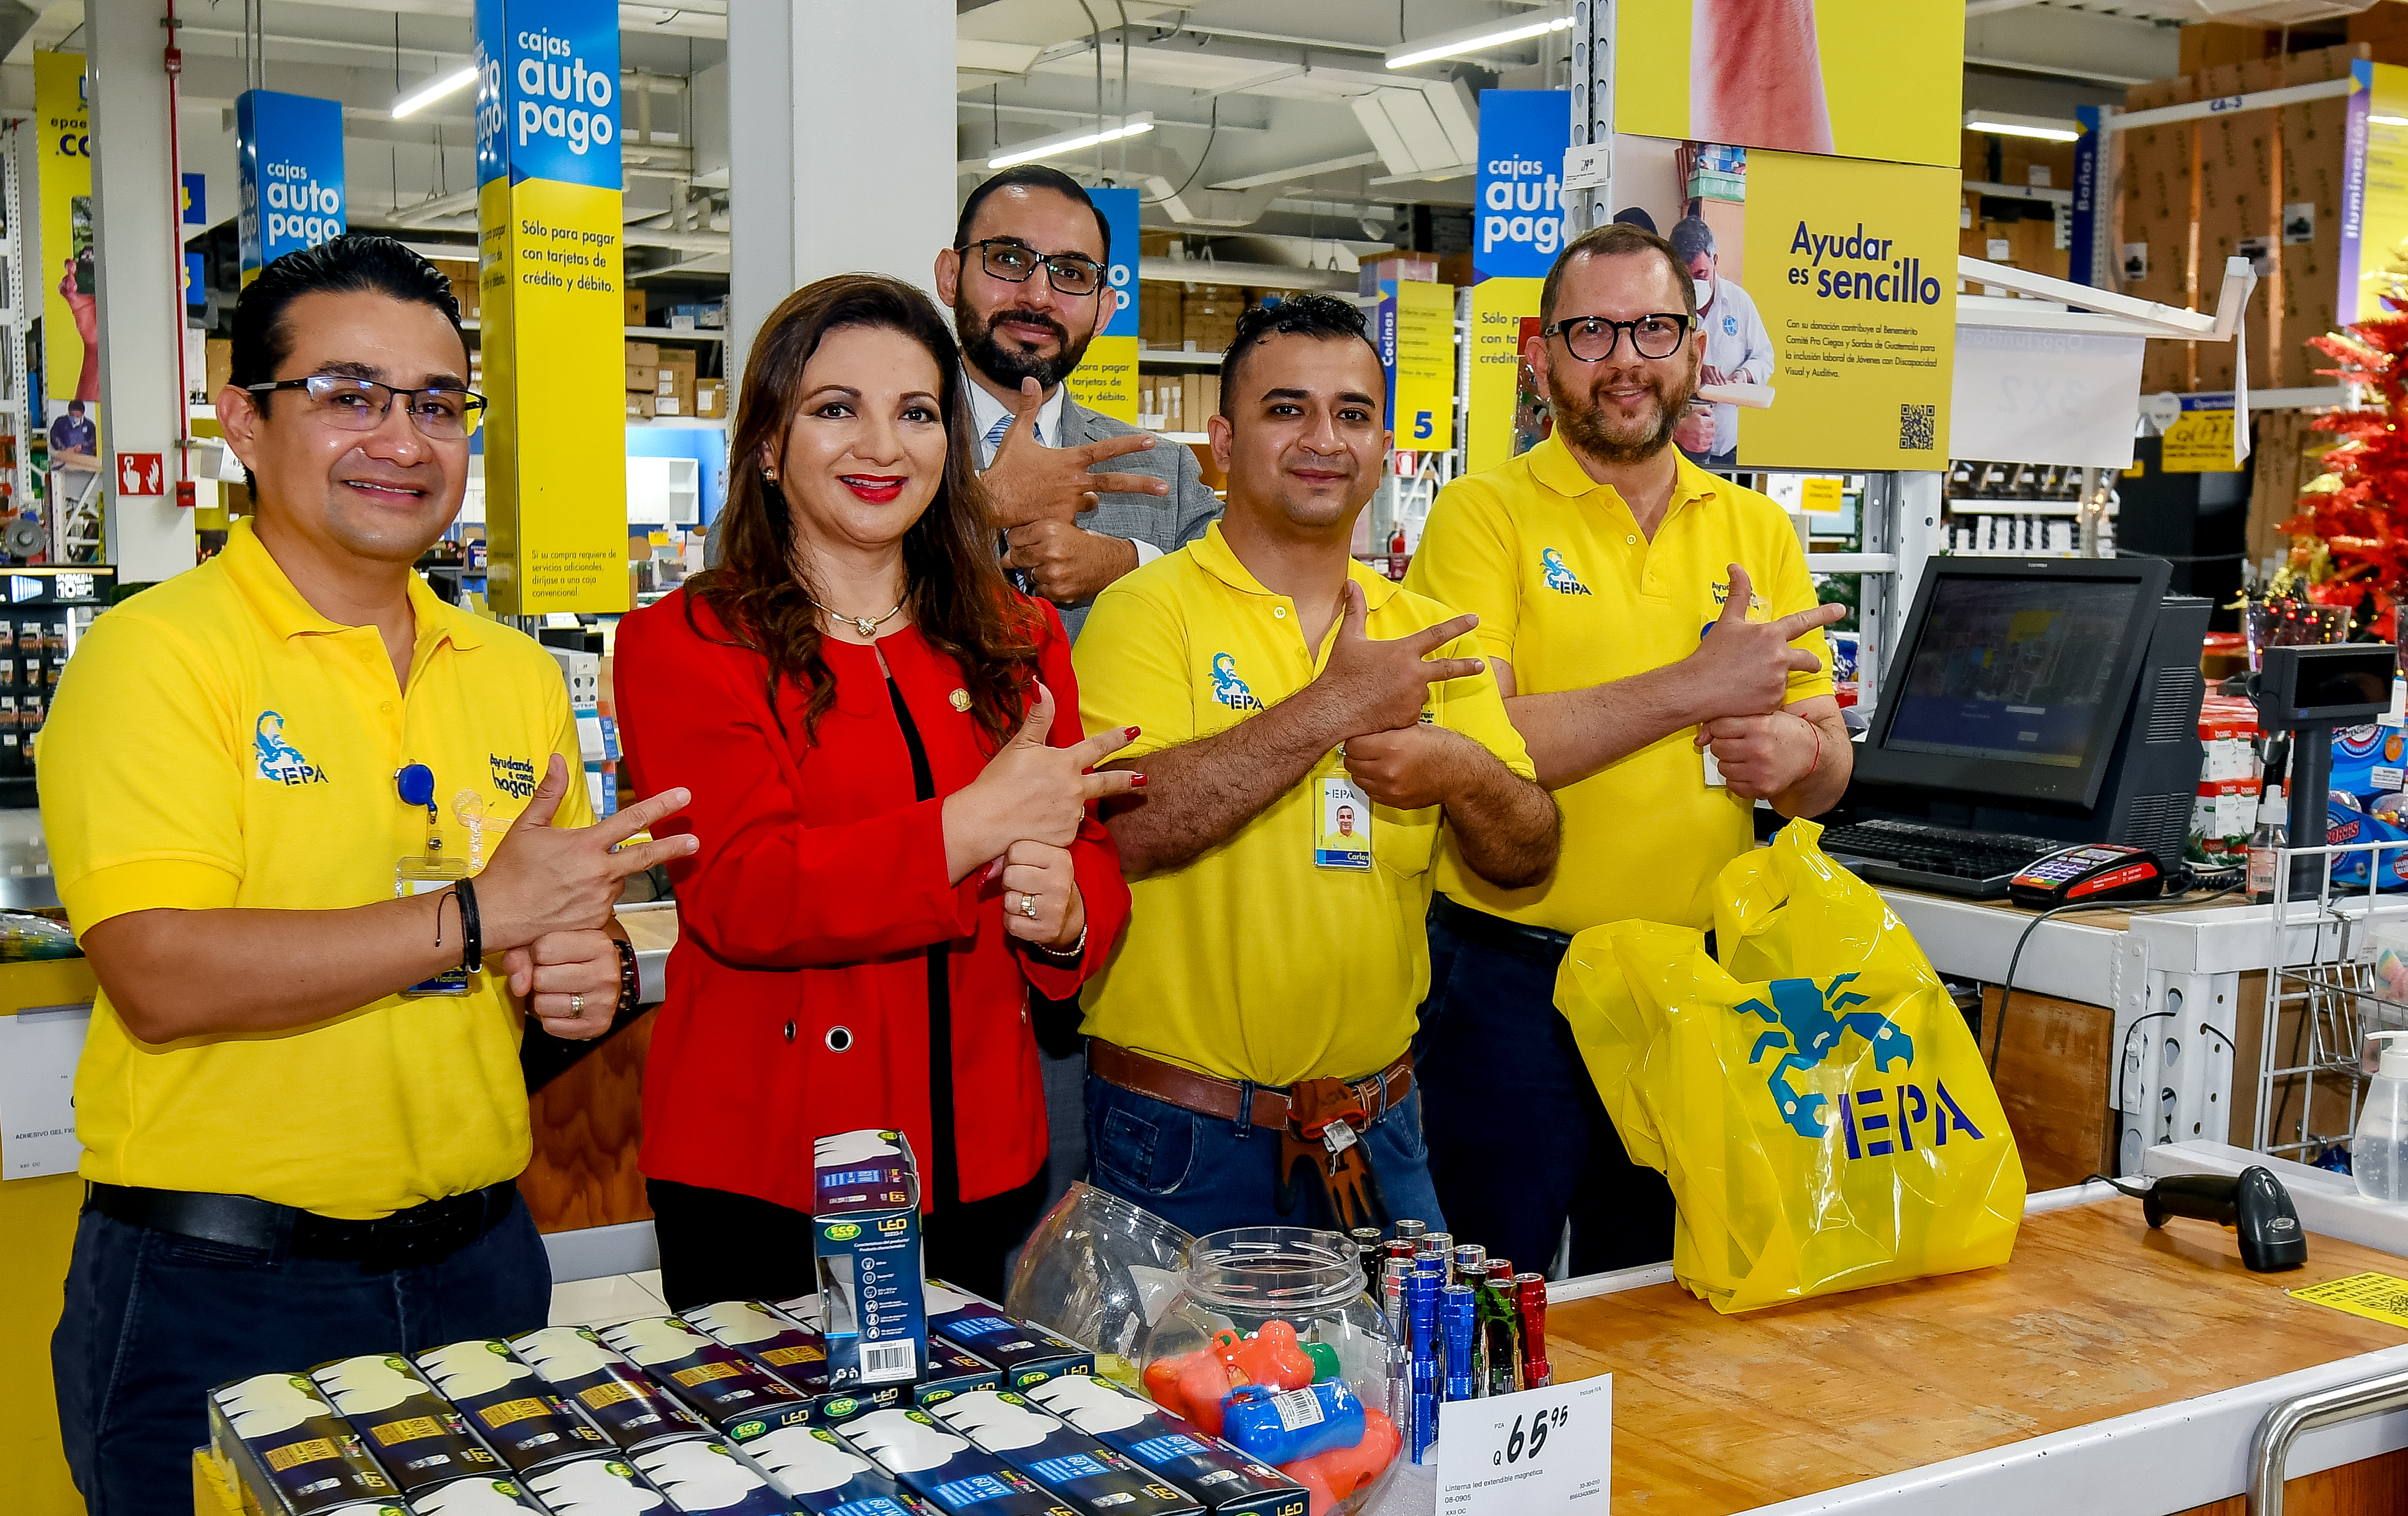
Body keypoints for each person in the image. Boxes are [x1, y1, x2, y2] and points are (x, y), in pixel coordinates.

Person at [40, 234, 693, 1514]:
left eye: (438, 404)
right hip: (217, 1290)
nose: (402, 439)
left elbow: (531, 955)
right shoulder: (155, 660)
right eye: (348, 395)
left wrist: (576, 970)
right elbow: (158, 972)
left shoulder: (510, 672)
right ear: (243, 419)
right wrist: (474, 917)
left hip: (485, 1269)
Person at [613, 273, 1134, 1309]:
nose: (882, 447)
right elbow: (746, 891)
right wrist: (974, 824)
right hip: (768, 1164)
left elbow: (1090, 853)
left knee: (970, 1454)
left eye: (917, 413)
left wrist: (1066, 913)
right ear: (767, 441)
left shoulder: (1014, 635)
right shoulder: (686, 642)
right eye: (835, 409)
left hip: (979, 1152)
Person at [1405, 220, 1849, 1278]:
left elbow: (1829, 771)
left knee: (1664, 1295)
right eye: (1591, 332)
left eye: (1652, 328)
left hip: (1697, 984)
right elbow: (1487, 746)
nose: (1624, 361)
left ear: (1696, 348)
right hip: (1514, 990)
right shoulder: (1482, 517)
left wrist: (1795, 756)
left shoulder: (1758, 531)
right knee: (1487, 1302)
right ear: (1541, 353)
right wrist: (1692, 687)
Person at [1073, 295, 1558, 1240]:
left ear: (1383, 444)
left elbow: (1527, 852)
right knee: (1176, 1396)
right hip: (1182, 1136)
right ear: (1222, 441)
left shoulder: (1424, 629)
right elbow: (1126, 828)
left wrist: (1458, 766)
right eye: (1286, 409)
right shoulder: (1146, 609)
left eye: (1352, 413)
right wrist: (1335, 705)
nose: (1323, 439)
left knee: (1412, 1393)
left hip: (1380, 1134)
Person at [936, 164, 1225, 1233]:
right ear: (950, 274)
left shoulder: (1154, 466)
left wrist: (1122, 556)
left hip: (1095, 914)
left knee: (1058, 1237)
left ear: (1106, 302)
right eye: (1008, 260)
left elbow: (1231, 591)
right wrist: (981, 514)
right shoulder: (888, 436)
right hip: (918, 881)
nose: (1036, 293)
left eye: (1070, 273)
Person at [1668, 216, 1772, 470]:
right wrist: (1695, 369)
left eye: (1700, 274)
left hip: (1727, 450)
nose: (1694, 283)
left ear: (1715, 261)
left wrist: (1743, 376)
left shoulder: (1739, 301)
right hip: (1675, 449)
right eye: (1684, 275)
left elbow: (1764, 357)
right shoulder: (1663, 305)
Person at [49, 398, 95, 462]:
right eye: (72, 414)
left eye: (77, 414)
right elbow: (54, 437)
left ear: (82, 413)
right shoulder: (60, 422)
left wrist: (82, 447)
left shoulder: (90, 426)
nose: (74, 416)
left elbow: (92, 441)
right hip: (63, 458)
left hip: (83, 459)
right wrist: (64, 449)